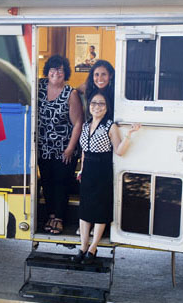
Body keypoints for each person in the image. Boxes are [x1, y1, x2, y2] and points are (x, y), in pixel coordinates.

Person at [73, 90, 140, 264]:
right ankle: (83, 246)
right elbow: (84, 152)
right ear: (89, 106)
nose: (96, 107)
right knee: (85, 209)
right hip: (88, 171)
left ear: (106, 107)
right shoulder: (86, 125)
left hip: (102, 170)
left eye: (101, 104)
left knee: (100, 209)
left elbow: (119, 151)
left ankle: (93, 248)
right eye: (94, 103)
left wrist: (129, 135)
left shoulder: (110, 126)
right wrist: (82, 169)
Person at [37, 55, 84, 234]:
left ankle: (59, 218)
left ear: (65, 73)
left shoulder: (70, 93)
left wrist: (71, 148)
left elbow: (78, 122)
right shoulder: (40, 87)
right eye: (53, 69)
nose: (56, 72)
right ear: (47, 71)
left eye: (60, 69)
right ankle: (50, 215)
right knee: (47, 183)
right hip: (43, 148)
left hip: (64, 148)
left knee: (61, 183)